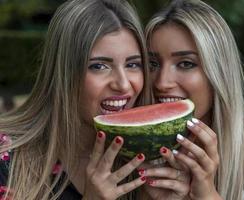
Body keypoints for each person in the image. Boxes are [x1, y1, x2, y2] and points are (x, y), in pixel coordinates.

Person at [140, 0, 244, 199]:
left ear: (219, 71)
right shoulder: (130, 150)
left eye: (186, 64)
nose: (162, 82)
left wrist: (206, 194)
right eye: (152, 63)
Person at [0, 0, 153, 199]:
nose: (123, 85)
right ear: (64, 72)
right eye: (99, 66)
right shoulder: (7, 161)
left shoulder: (148, 162)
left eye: (133, 64)